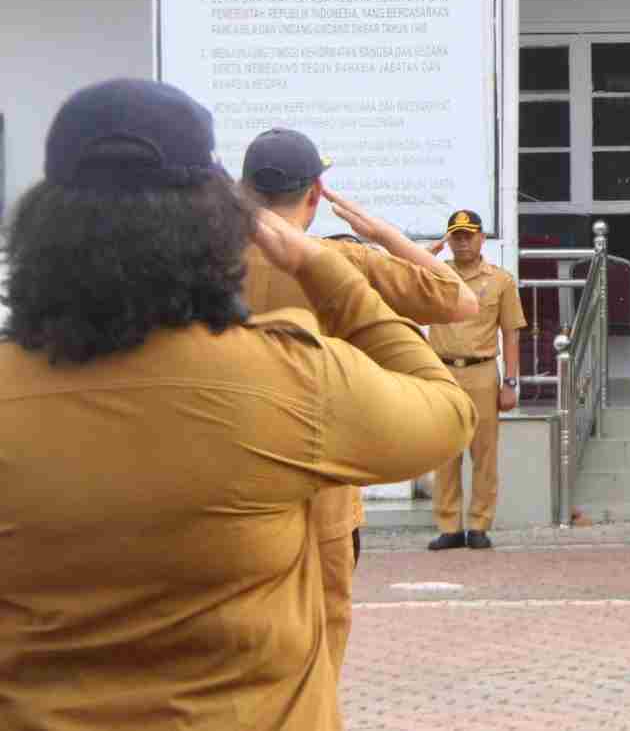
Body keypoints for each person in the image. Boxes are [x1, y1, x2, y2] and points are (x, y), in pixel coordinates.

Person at [0, 78, 476, 730]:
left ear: (41, 224)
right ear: (211, 221)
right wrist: (328, 269)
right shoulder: (285, 376)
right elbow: (447, 412)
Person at [237, 127, 478, 679]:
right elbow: (458, 299)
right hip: (323, 474)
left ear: (243, 191)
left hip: (231, 471)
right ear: (316, 196)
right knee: (323, 632)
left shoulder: (198, 264)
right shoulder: (344, 260)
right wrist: (382, 232)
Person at [425, 209, 526, 551]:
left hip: (483, 372)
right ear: (448, 240)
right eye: (456, 236)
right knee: (443, 450)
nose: (463, 242)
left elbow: (511, 333)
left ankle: (480, 523)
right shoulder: (436, 274)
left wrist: (511, 382)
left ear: (482, 238)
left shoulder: (500, 280)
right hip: (441, 371)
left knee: (484, 454)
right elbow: (406, 273)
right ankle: (449, 525)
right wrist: (432, 251)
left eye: (469, 235)